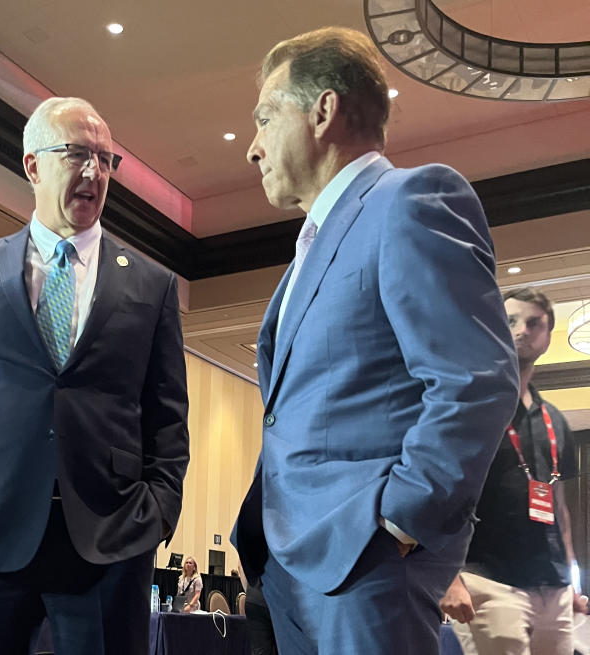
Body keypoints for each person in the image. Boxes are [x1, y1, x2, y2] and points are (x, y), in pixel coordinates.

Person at [230, 27, 519, 654]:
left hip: (369, 562)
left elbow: (476, 380)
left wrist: (402, 519)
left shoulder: (410, 200)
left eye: (264, 117)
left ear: (323, 110)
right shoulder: (312, 244)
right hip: (295, 562)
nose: (252, 148)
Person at [0, 96, 190, 655]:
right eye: (76, 154)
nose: (94, 172)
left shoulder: (152, 284)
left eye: (105, 159)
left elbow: (167, 413)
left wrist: (159, 509)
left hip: (109, 536)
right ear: (33, 165)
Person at [440, 287, 587, 654]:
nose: (522, 329)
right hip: (489, 581)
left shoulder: (553, 418)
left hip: (553, 588)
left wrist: (570, 582)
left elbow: (558, 506)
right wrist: (447, 577)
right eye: (510, 320)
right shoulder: (470, 406)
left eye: (533, 322)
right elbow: (441, 491)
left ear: (547, 335)